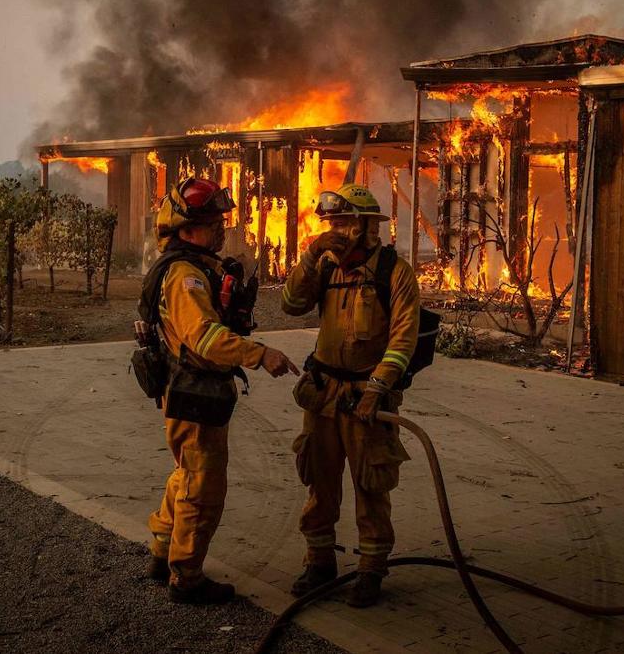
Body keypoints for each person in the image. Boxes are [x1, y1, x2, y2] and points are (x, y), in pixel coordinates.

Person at [143, 177, 298, 605]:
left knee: (185, 475)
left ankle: (161, 550)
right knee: (203, 489)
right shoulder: (184, 278)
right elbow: (205, 339)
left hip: (187, 392)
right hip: (194, 395)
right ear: (184, 228)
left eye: (221, 221)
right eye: (212, 223)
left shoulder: (190, 269)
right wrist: (259, 354)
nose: (220, 230)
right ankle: (187, 577)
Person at [280, 182, 421, 608]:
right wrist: (309, 256)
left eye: (343, 222)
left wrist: (378, 388)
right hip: (323, 394)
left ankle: (371, 569)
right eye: (331, 223)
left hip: (365, 398)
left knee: (370, 484)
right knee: (319, 483)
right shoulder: (325, 267)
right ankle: (319, 562)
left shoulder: (394, 273)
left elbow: (403, 338)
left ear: (365, 226)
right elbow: (290, 304)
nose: (335, 230)